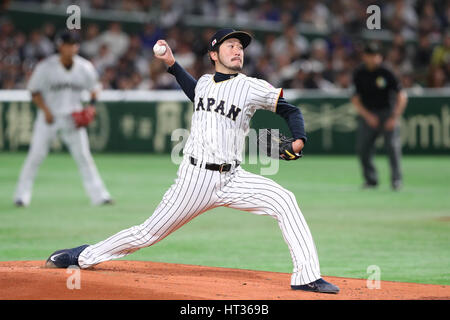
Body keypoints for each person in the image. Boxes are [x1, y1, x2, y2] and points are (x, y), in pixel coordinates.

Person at [45, 29, 339, 294]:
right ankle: (82, 256)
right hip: (195, 179)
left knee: (284, 200)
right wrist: (172, 64)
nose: (238, 50)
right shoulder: (205, 83)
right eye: (230, 45)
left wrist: (298, 139)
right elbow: (192, 88)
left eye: (241, 46)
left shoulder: (251, 86)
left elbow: (291, 111)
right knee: (147, 233)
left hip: (234, 178)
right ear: (214, 54)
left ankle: (306, 276)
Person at [14, 31, 113, 207]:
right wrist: (45, 111)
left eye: (74, 44)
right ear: (60, 46)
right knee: (35, 156)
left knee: (84, 157)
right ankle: (21, 196)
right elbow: (34, 91)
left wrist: (90, 106)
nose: (71, 47)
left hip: (72, 118)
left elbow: (95, 88)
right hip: (49, 117)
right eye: (67, 44)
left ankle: (100, 196)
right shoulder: (46, 67)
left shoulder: (85, 67)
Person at [351, 42, 408, 190]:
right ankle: (371, 180)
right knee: (363, 148)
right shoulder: (359, 73)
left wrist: (394, 117)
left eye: (376, 55)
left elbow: (402, 96)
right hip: (369, 113)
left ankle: (396, 180)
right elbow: (355, 99)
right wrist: (368, 116)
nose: (373, 58)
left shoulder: (387, 72)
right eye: (370, 55)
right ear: (365, 56)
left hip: (387, 112)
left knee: (393, 147)